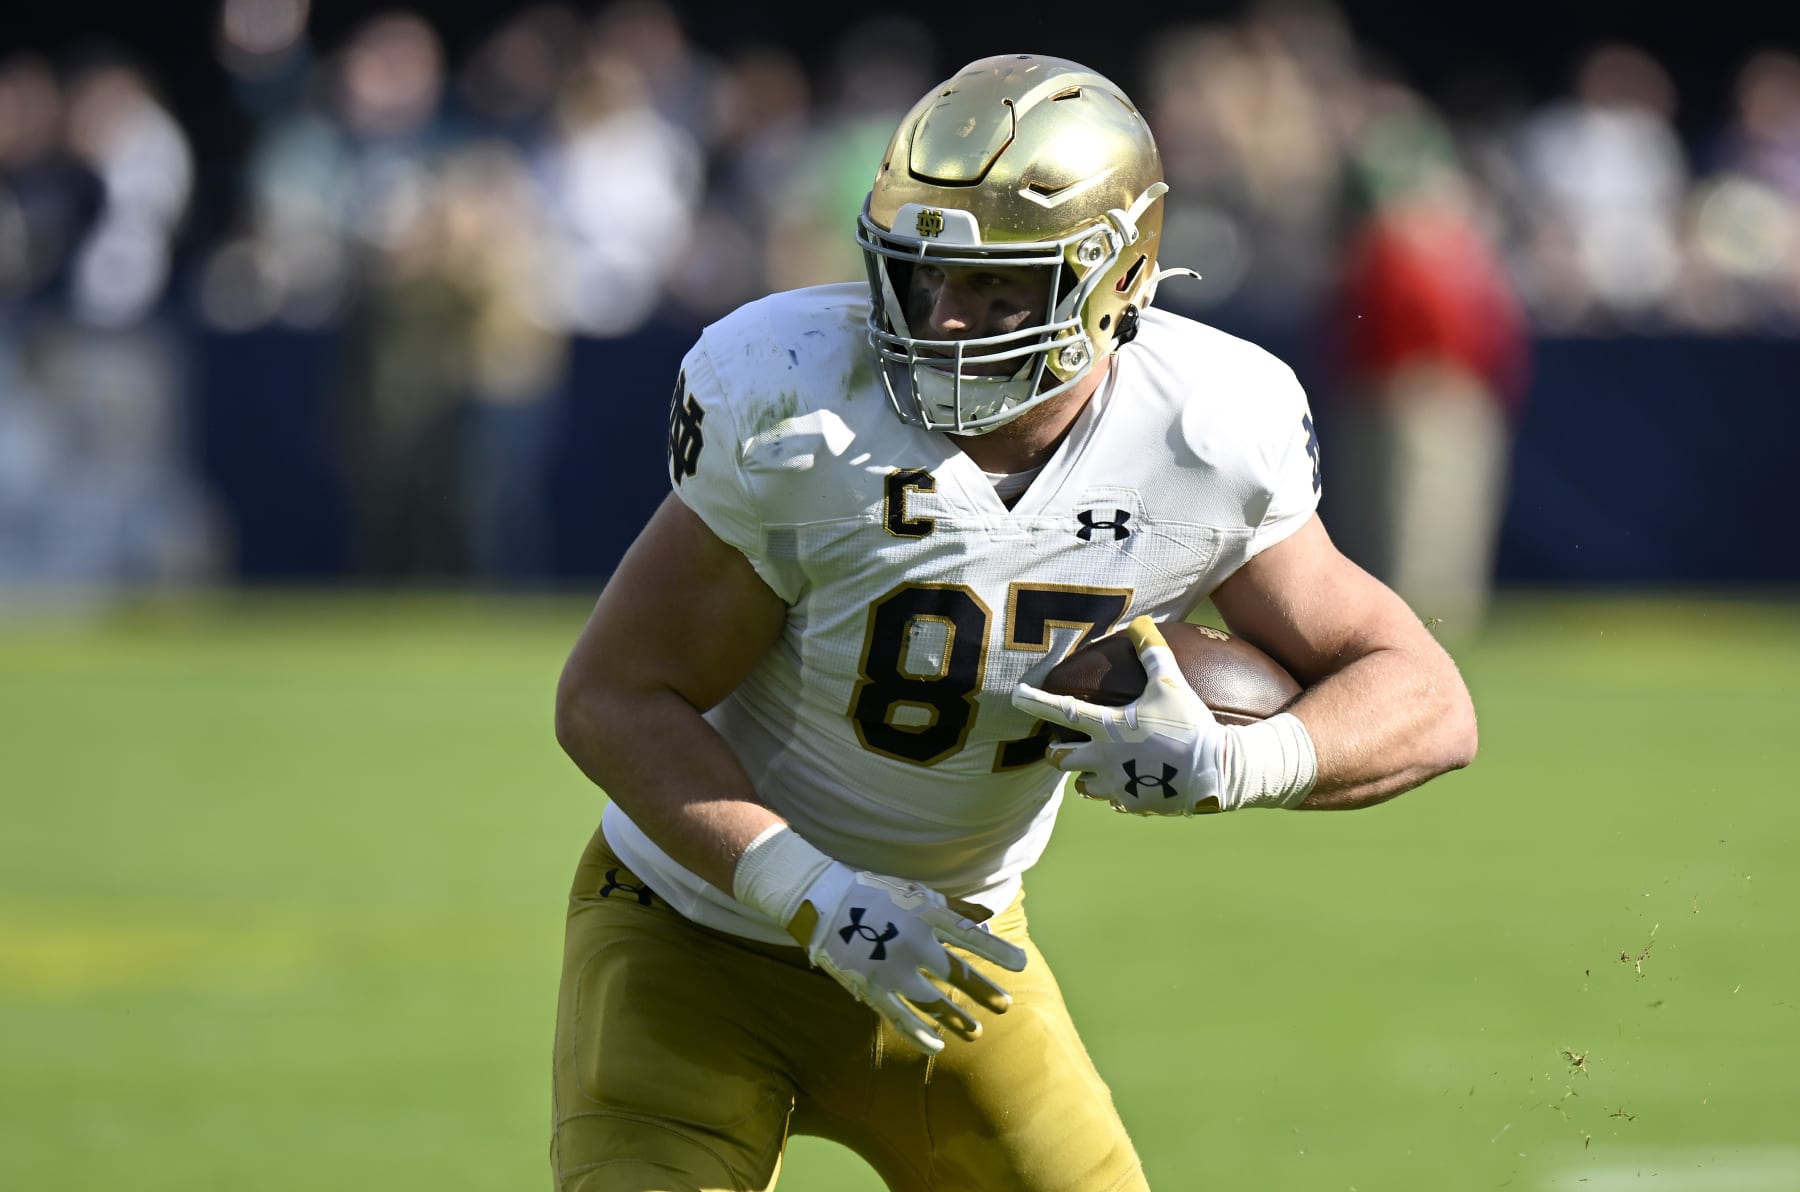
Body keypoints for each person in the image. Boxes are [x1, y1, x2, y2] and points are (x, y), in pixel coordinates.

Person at [551, 53, 1478, 1192]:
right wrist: (810, 889)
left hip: (954, 954)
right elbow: (611, 695)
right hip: (691, 929)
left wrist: (1244, 760)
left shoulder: (1207, 431)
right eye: (922, 274)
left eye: (997, 290)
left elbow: (1427, 697)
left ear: (1115, 278)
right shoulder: (798, 403)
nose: (941, 320)